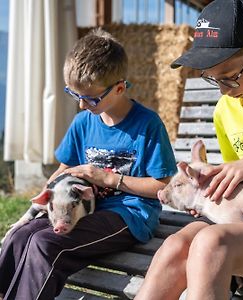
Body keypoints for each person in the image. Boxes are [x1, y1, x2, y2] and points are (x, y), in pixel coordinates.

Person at [135, 0, 243, 299]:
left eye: (229, 76)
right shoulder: (225, 111)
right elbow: (238, 190)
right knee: (175, 247)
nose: (223, 90)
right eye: (212, 78)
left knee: (212, 244)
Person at [0, 28, 177, 300]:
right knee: (20, 235)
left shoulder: (147, 125)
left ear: (119, 88)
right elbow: (63, 169)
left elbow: (162, 187)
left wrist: (107, 179)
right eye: (74, 95)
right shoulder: (83, 123)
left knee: (45, 243)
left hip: (129, 214)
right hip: (83, 210)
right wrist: (44, 199)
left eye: (91, 98)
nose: (82, 105)